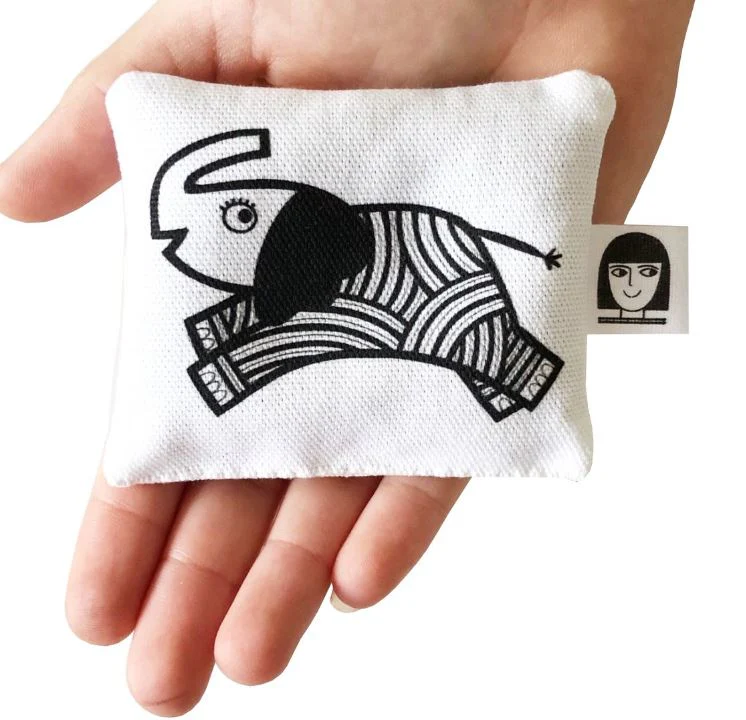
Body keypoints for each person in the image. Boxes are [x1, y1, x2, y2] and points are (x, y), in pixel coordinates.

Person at [0, 0, 696, 715]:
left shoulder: (366, 259)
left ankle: (505, 368)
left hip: (436, 284)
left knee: (489, 354)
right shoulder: (291, 276)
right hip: (421, 267)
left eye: (241, 216)